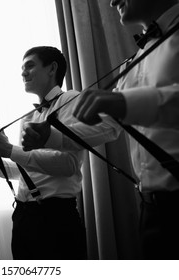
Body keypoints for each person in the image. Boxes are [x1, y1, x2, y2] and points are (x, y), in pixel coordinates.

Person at [0, 46, 121, 260]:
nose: (23, 72)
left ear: (52, 68)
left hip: (56, 218)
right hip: (22, 216)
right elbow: (23, 172)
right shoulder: (27, 118)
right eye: (22, 68)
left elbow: (68, 165)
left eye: (29, 65)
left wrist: (11, 150)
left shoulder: (72, 99)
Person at [71, 0, 179, 260]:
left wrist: (123, 102)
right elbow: (110, 125)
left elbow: (124, 106)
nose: (112, 1)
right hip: (151, 209)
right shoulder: (134, 61)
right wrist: (51, 135)